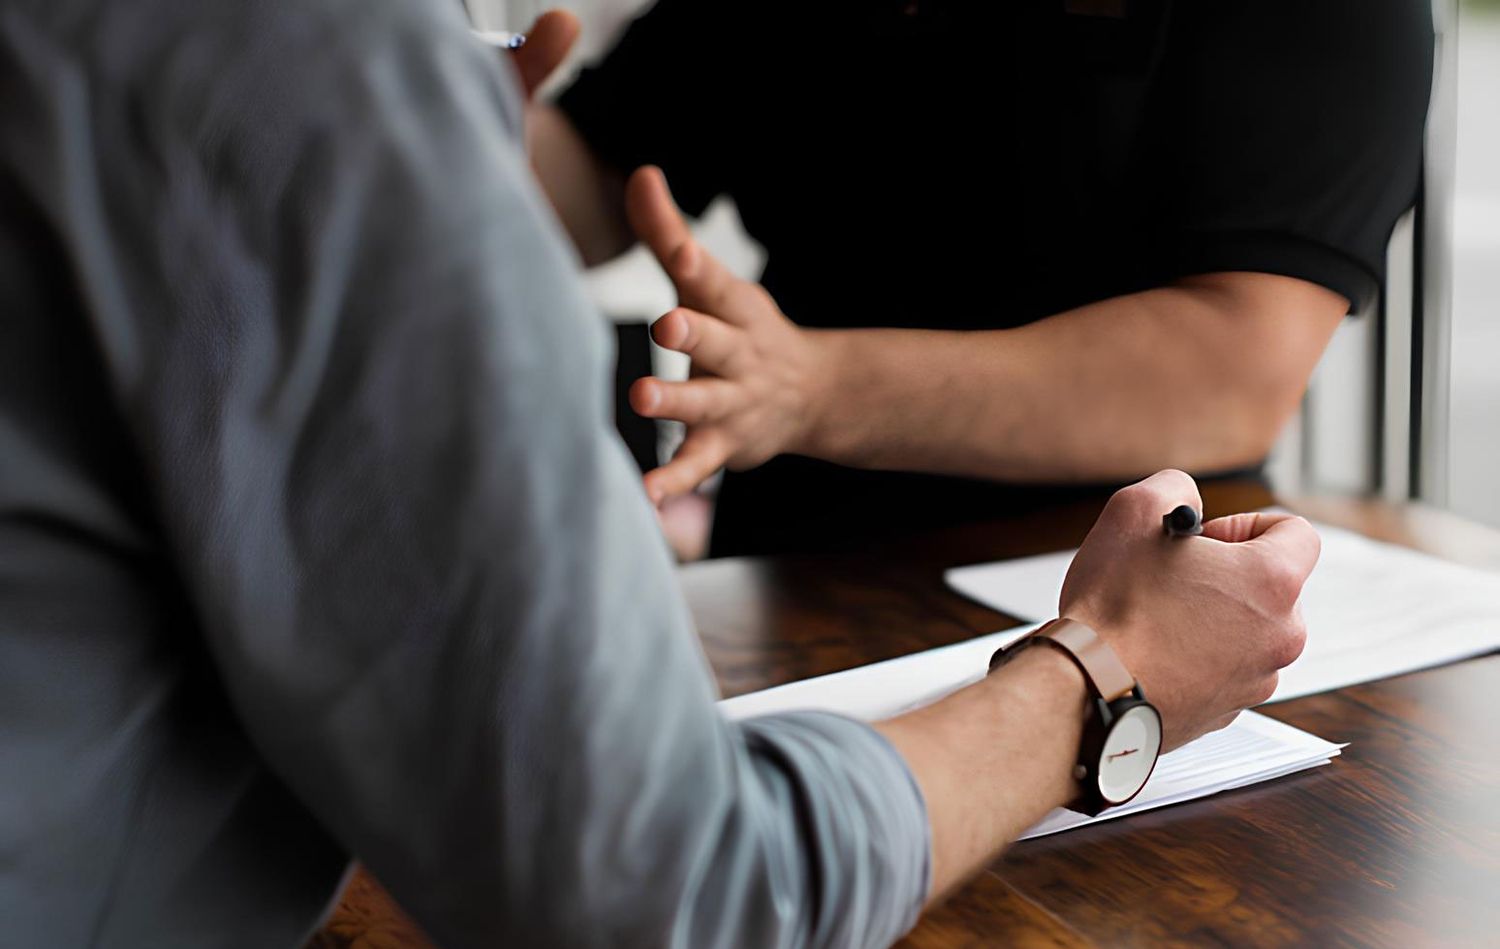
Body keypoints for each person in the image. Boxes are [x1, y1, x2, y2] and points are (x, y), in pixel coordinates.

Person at [0, 2, 1318, 946]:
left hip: (1168, 579)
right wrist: (1105, 674)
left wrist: (419, 159)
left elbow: (1242, 359)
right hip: (815, 621)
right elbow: (663, 892)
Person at [532, 0, 1435, 557]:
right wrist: (435, 140)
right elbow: (601, 167)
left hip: (1123, 592)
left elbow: (1231, 370)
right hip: (792, 578)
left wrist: (812, 387)